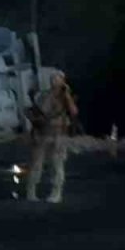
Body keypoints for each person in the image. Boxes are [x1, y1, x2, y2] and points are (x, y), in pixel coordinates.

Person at [25, 71, 79, 204]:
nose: (55, 81)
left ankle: (56, 193)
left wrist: (66, 95)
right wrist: (52, 95)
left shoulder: (66, 96)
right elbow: (43, 110)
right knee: (37, 164)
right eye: (53, 78)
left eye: (58, 78)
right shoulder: (45, 95)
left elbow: (74, 112)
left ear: (63, 80)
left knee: (57, 165)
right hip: (43, 134)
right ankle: (31, 191)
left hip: (59, 134)